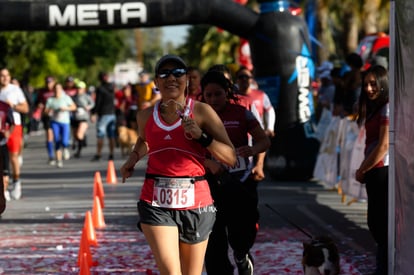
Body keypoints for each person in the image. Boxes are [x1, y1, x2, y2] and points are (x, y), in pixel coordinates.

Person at [120, 54, 236, 275]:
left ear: (187, 80)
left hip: (196, 202)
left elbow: (230, 157)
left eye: (178, 73)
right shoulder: (145, 115)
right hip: (155, 202)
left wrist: (202, 137)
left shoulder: (202, 111)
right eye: (164, 73)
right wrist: (133, 159)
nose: (171, 78)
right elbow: (146, 140)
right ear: (156, 82)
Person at [200, 70, 270, 275]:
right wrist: (208, 163)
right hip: (209, 184)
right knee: (214, 239)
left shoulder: (241, 113)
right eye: (208, 95)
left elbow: (264, 140)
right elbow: (186, 150)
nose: (213, 99)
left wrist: (253, 150)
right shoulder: (196, 116)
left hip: (241, 182)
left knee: (243, 231)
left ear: (228, 92)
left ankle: (241, 254)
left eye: (218, 94)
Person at [355, 65, 389, 275]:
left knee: (381, 224)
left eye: (373, 84)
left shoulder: (387, 107)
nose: (368, 88)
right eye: (366, 84)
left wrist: (362, 169)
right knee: (375, 223)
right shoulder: (374, 107)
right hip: (373, 172)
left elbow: (384, 146)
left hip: (382, 171)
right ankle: (382, 267)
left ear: (383, 84)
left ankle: (384, 269)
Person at [0, 68, 29, 200]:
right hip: (0, 128)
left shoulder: (14, 90)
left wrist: (13, 106)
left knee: (12, 156)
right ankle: (3, 188)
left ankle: (16, 182)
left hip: (13, 126)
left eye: (7, 75)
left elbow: (26, 108)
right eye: (2, 76)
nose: (5, 78)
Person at [43, 83, 77, 168]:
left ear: (62, 89)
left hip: (65, 122)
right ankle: (59, 160)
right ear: (53, 90)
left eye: (59, 89)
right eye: (56, 89)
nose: (57, 90)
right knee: (57, 140)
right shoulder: (50, 100)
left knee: (65, 141)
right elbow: (45, 111)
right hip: (54, 122)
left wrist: (66, 108)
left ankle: (65, 149)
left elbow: (74, 107)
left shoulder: (66, 98)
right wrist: (49, 111)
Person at [90, 72, 116, 161]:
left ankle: (98, 154)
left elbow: (98, 102)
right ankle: (111, 154)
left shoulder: (100, 88)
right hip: (112, 113)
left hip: (103, 114)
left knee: (100, 135)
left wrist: (93, 113)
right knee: (111, 135)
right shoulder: (112, 87)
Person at [36, 76, 57, 164]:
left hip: (58, 116)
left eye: (50, 82)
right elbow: (37, 102)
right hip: (47, 116)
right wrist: (40, 105)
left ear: (54, 82)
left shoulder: (57, 90)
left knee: (56, 135)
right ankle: (51, 156)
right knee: (49, 135)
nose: (49, 84)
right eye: (47, 82)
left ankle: (61, 150)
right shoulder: (42, 91)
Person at [72, 80, 95, 158]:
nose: (79, 89)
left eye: (80, 88)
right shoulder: (74, 97)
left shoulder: (86, 96)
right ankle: (81, 140)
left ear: (84, 89)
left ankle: (79, 151)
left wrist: (88, 107)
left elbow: (92, 104)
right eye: (77, 88)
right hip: (75, 117)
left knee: (79, 135)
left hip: (83, 118)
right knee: (75, 135)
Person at [0, 100, 15, 202]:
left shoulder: (5, 106)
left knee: (4, 174)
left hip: (1, 143)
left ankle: (2, 195)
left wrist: (8, 132)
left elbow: (12, 123)